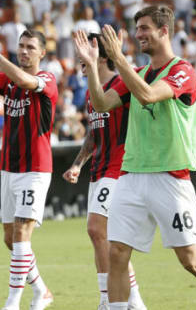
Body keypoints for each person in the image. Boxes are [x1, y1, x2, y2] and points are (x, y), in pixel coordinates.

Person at [74, 6, 196, 310]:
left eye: (145, 28)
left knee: (190, 260)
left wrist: (120, 58)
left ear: (164, 31)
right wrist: (90, 66)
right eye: (136, 28)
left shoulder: (183, 71)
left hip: (170, 177)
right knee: (116, 253)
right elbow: (101, 104)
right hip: (131, 175)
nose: (138, 34)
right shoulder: (136, 72)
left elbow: (149, 95)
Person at [63, 33, 146, 310]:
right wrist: (78, 163)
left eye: (86, 51)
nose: (80, 58)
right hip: (99, 169)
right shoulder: (91, 92)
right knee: (106, 238)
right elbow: (94, 133)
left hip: (121, 168)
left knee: (97, 229)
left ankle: (107, 300)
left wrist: (119, 52)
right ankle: (131, 301)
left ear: (100, 55)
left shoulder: (124, 81)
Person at [0, 25, 57, 310]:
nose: (24, 51)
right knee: (11, 239)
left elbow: (25, 81)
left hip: (35, 168)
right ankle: (41, 291)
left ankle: (12, 303)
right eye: (21, 46)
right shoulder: (7, 80)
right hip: (9, 167)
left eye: (30, 48)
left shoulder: (46, 78)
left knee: (22, 232)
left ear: (42, 53)